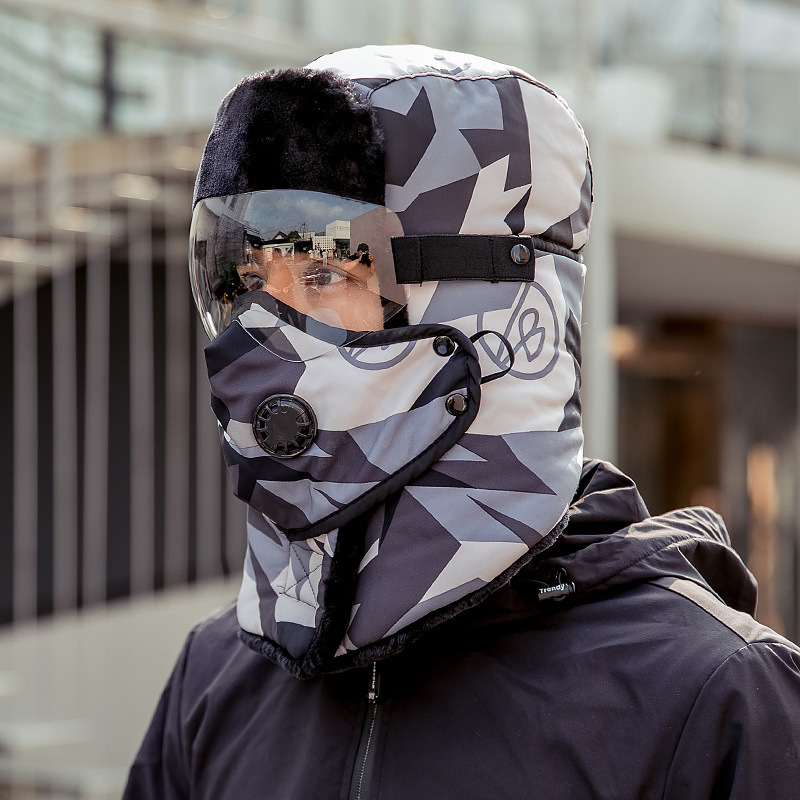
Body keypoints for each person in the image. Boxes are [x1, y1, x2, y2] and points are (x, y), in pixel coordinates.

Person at [124, 44, 800, 799]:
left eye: (323, 272)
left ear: (491, 306)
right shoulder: (216, 681)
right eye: (247, 281)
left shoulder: (712, 700)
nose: (261, 336)